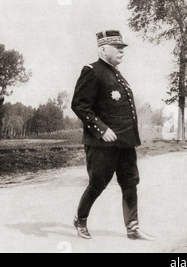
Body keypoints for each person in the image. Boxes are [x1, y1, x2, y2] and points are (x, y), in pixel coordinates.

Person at [71, 30, 155, 240]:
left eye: (122, 48)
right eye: (117, 48)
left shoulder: (117, 75)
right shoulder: (92, 71)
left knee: (130, 182)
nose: (121, 51)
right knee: (98, 183)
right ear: (102, 49)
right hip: (103, 144)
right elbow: (80, 106)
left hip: (125, 142)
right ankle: (80, 219)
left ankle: (133, 227)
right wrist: (102, 130)